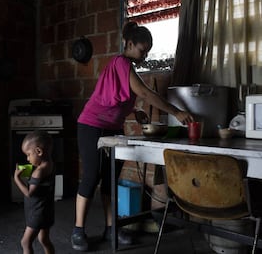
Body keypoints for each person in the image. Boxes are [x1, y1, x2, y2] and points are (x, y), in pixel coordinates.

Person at [70, 21, 194, 251]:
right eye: (141, 49)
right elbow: (145, 92)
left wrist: (133, 110)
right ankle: (78, 231)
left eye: (147, 51)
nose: (144, 55)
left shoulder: (127, 67)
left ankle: (110, 229)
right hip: (91, 125)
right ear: (129, 44)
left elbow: (117, 96)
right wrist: (176, 111)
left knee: (110, 180)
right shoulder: (121, 61)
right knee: (91, 177)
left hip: (112, 127)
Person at [14, 130, 56, 254]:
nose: (27, 159)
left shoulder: (39, 171)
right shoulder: (50, 164)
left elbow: (29, 193)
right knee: (44, 239)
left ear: (38, 151)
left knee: (25, 242)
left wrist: (17, 178)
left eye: (28, 154)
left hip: (37, 212)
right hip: (46, 210)